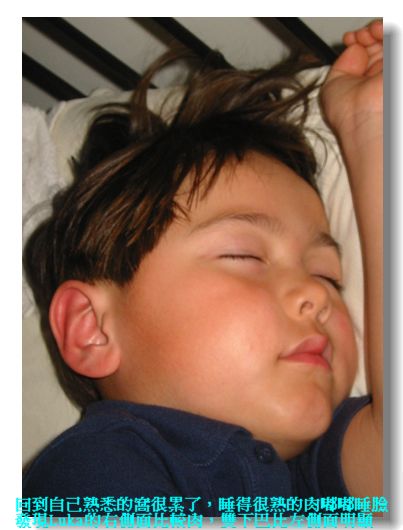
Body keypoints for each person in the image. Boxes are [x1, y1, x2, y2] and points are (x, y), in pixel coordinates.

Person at [22, 21, 383, 518]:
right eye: (246, 257)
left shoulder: (313, 472)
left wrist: (370, 130)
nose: (317, 295)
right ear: (93, 329)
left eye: (328, 276)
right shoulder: (93, 470)